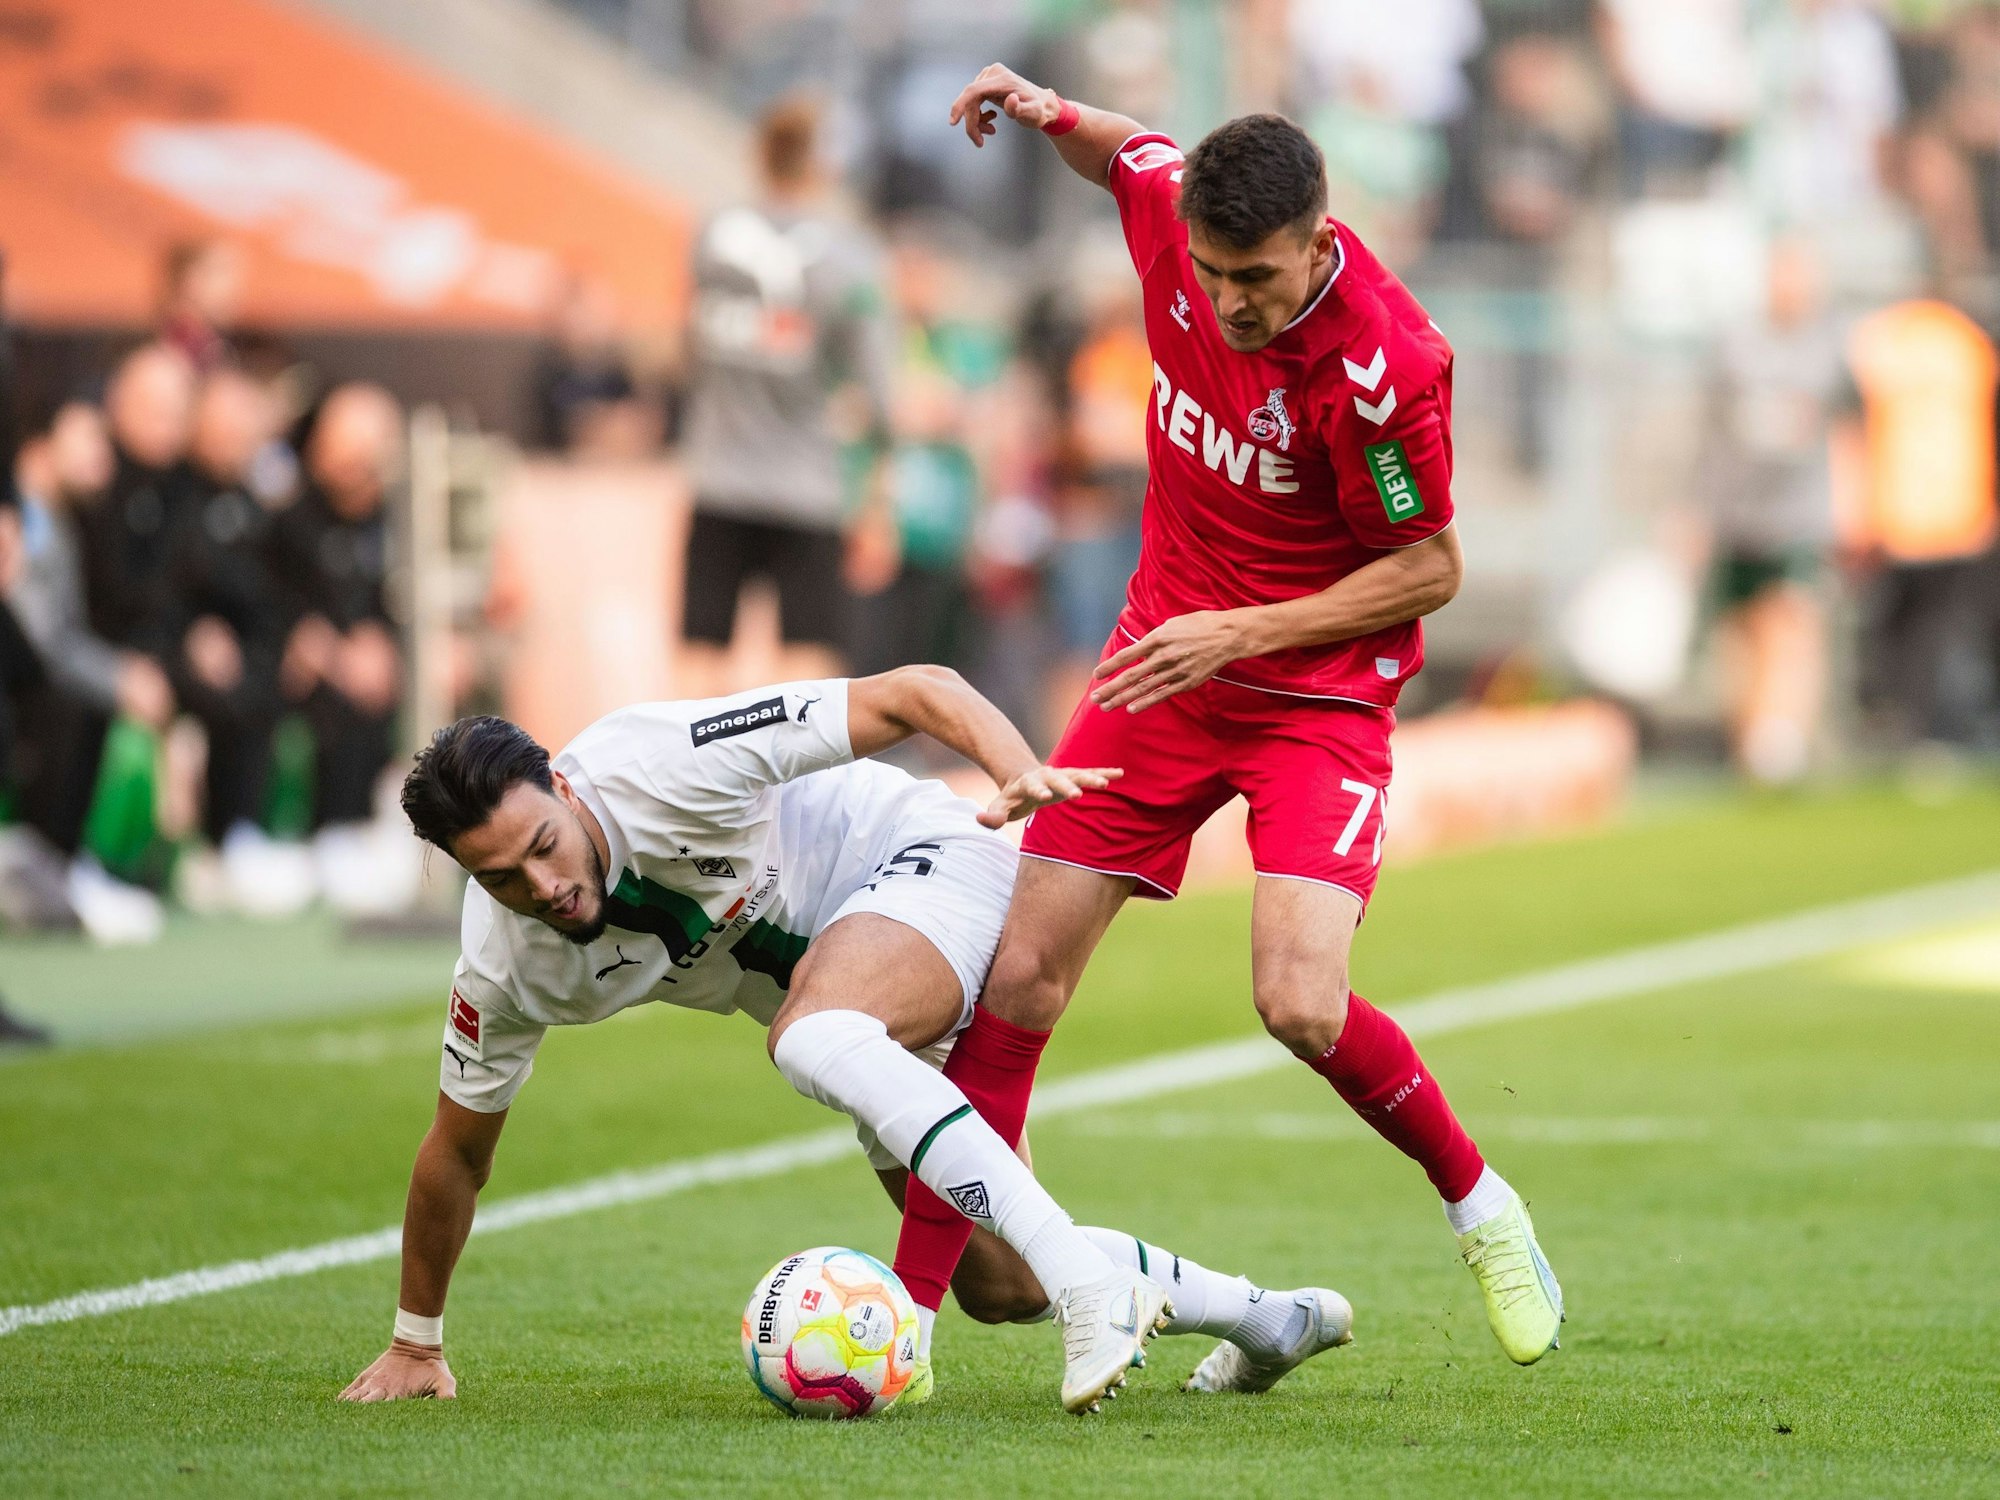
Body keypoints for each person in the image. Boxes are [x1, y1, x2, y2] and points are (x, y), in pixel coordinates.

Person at [884, 66, 1565, 1382]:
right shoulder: (1172, 219)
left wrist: (1246, 630)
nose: (1229, 301)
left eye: (1255, 276)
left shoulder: (1383, 371)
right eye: (1211, 272)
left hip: (1314, 696)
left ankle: (1482, 1206)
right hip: (1164, 669)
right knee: (1014, 977)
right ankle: (904, 1326)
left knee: (1297, 1004)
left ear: (1320, 240)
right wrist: (1041, 108)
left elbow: (1431, 570)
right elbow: (1127, 151)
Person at [337, 668, 1356, 1413]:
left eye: (542, 848)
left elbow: (912, 689)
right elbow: (456, 1154)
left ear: (563, 786)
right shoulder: (506, 965)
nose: (542, 888)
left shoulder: (663, 761)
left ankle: (1094, 1286)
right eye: (501, 877)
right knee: (1000, 1288)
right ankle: (1266, 1320)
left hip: (927, 870)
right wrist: (412, 1342)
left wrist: (1012, 770)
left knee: (808, 1034)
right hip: (857, 1009)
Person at [676, 96, 895, 696]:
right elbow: (877, 392)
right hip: (808, 488)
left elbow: (688, 349)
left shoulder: (711, 236)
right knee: (805, 679)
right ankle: (793, 795)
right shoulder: (852, 257)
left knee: (701, 657)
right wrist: (878, 501)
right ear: (824, 165)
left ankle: (693, 793)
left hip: (718, 473)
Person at [269, 383, 405, 898]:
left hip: (392, 669)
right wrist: (326, 649)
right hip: (318, 674)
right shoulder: (291, 519)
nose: (352, 467)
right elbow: (277, 605)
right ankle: (333, 834)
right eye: (341, 450)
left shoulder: (401, 519)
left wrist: (395, 649)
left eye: (366, 456)